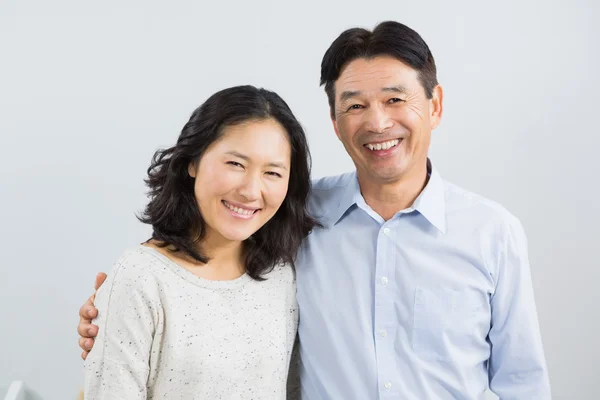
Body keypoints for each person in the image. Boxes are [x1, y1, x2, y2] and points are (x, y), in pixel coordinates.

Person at [79, 21, 551, 399]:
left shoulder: (493, 233)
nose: (378, 121)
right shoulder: (297, 216)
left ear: (435, 104)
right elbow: (198, 276)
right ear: (335, 122)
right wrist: (115, 308)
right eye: (356, 105)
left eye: (394, 99)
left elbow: (522, 385)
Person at [81, 85, 316, 399]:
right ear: (192, 162)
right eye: (235, 164)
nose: (251, 190)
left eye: (273, 172)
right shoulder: (140, 278)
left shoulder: (283, 274)